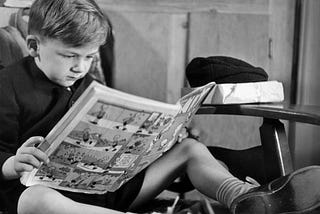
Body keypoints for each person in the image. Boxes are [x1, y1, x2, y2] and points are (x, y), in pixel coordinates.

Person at [0, 0, 320, 214]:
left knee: (191, 149)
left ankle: (245, 200)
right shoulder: (9, 86)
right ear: (34, 47)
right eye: (70, 56)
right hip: (47, 196)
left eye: (88, 57)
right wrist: (12, 163)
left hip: (109, 191)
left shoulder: (89, 86)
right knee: (37, 201)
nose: (80, 67)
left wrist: (160, 139)